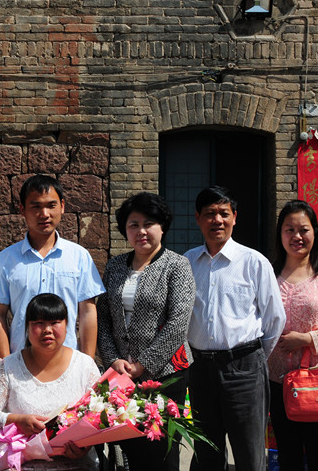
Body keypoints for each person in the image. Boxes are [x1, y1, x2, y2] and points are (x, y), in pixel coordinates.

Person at [184, 185, 285, 471]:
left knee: (249, 455)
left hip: (244, 368)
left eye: (224, 213)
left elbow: (274, 319)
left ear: (235, 217)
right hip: (201, 370)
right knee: (207, 453)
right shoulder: (187, 262)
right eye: (209, 213)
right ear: (198, 218)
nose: (217, 220)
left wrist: (251, 358)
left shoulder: (253, 262)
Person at [97, 192, 195, 470]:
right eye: (133, 225)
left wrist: (144, 365)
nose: (141, 231)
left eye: (148, 223)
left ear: (162, 227)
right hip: (122, 375)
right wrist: (113, 359)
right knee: (130, 448)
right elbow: (103, 317)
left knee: (162, 451)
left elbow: (178, 323)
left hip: (165, 374)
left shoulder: (177, 265)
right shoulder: (115, 265)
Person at [0, 174, 105, 358]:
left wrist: (87, 363)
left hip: (68, 362)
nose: (44, 214)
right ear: (22, 209)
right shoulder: (6, 260)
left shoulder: (79, 256)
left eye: (51, 205)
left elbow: (87, 312)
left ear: (62, 206)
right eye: (36, 206)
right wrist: (6, 363)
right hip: (21, 361)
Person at [266, 200, 318, 471]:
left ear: (315, 232)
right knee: (286, 454)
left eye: (304, 229)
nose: (297, 236)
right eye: (289, 230)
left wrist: (307, 339)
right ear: (280, 234)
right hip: (276, 380)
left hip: (317, 381)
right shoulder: (267, 275)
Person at [0, 293, 101, 470]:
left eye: (55, 322)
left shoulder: (85, 366)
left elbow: (101, 414)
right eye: (39, 323)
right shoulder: (9, 367)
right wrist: (17, 420)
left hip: (76, 464)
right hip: (19, 463)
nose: (47, 330)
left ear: (67, 325)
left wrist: (84, 446)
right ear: (27, 327)